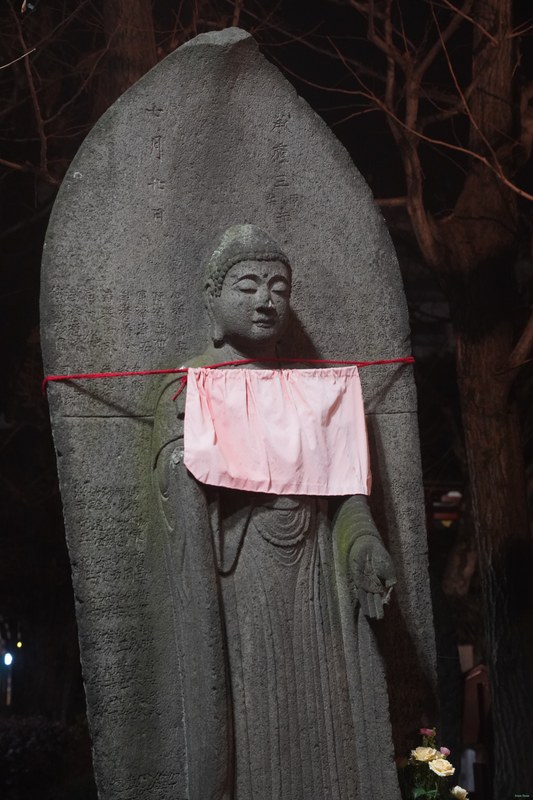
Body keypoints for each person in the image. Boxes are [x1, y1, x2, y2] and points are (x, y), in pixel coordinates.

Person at [152, 224, 401, 799]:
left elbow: (344, 490)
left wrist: (363, 542)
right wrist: (188, 459)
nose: (266, 300)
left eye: (278, 288)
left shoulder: (315, 389)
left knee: (325, 712)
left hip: (315, 574)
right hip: (243, 579)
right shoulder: (191, 386)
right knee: (256, 713)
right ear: (213, 301)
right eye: (248, 286)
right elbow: (174, 478)